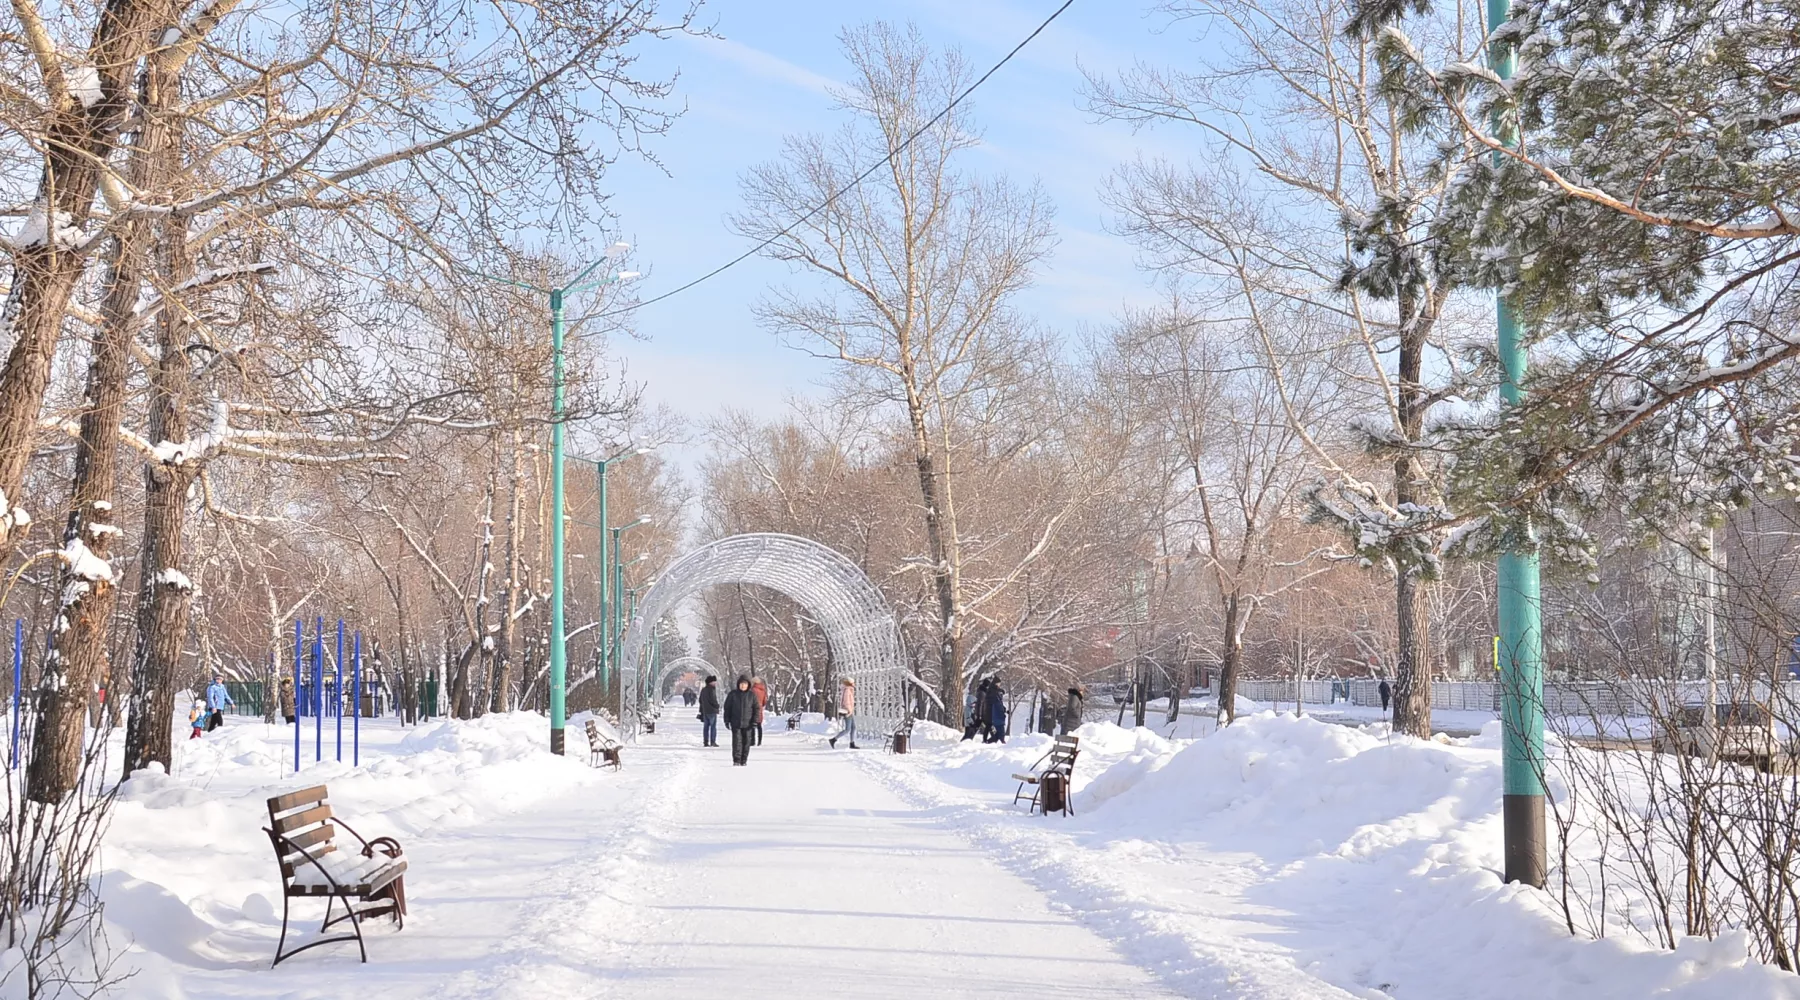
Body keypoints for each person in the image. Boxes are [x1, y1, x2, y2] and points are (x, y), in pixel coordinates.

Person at [723, 675, 760, 766]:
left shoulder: (752, 695)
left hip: (748, 724)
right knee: (736, 742)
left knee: (746, 742)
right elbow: (727, 708)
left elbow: (756, 708)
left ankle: (744, 759)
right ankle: (736, 760)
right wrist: (726, 720)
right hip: (735, 722)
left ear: (748, 685)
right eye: (741, 684)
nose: (743, 686)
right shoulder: (733, 694)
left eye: (745, 684)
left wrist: (755, 721)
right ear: (738, 684)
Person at [828, 677, 857, 749]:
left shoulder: (848, 689)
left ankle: (852, 743)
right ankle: (833, 739)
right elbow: (846, 702)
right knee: (847, 729)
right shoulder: (847, 690)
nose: (854, 684)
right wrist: (849, 710)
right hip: (848, 711)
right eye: (853, 682)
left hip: (850, 711)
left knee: (853, 727)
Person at [698, 676, 721, 747]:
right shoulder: (711, 690)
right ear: (710, 682)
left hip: (705, 711)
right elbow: (713, 700)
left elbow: (700, 700)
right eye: (714, 682)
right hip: (712, 711)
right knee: (713, 727)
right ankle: (713, 741)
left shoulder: (703, 690)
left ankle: (705, 741)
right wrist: (717, 706)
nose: (715, 683)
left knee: (706, 727)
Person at [984, 678, 1007, 744]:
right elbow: (997, 704)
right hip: (994, 715)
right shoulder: (994, 693)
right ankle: (1002, 744)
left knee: (997, 735)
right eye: (999, 683)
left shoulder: (993, 691)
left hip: (994, 715)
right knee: (1000, 732)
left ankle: (987, 742)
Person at [751, 676, 768, 746]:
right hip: (760, 708)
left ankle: (752, 741)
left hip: (752, 709)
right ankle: (759, 741)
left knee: (752, 725)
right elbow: (765, 701)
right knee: (759, 725)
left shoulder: (752, 690)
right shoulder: (763, 690)